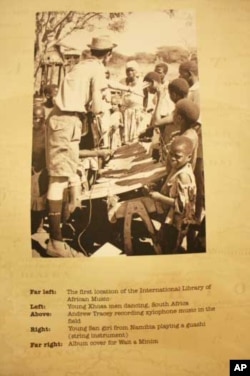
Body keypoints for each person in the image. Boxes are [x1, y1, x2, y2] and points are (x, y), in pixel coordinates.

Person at [45, 35, 117, 257]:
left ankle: (62, 229)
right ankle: (55, 244)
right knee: (58, 180)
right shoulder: (96, 69)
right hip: (67, 122)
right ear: (108, 55)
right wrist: (106, 107)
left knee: (69, 175)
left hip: (64, 121)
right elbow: (96, 107)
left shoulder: (81, 65)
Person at [148, 136, 197, 253]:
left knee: (171, 245)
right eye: (171, 154)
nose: (172, 159)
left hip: (178, 222)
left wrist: (159, 197)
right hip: (171, 217)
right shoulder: (178, 167)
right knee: (166, 240)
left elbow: (182, 206)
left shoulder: (183, 176)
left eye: (178, 156)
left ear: (189, 157)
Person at [31, 105, 48, 234]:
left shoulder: (47, 132)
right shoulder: (29, 132)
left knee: (42, 198)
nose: (37, 121)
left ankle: (40, 225)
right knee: (32, 199)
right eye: (34, 118)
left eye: (40, 118)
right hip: (32, 169)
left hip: (44, 169)